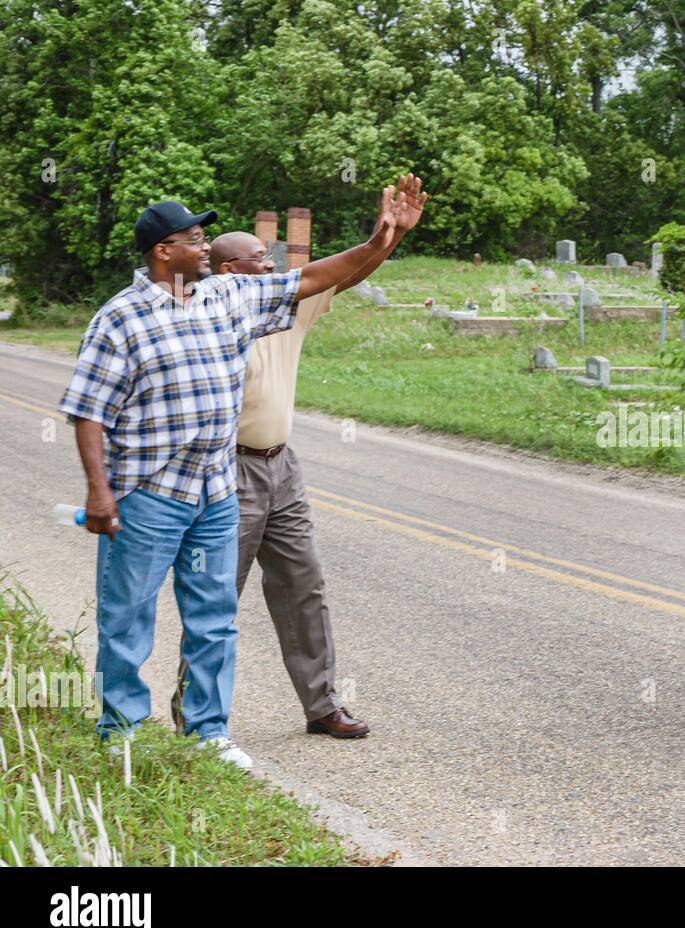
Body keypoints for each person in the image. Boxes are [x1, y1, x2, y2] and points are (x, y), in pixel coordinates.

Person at [60, 179, 417, 768]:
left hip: (216, 492)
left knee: (214, 618)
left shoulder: (226, 297)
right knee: (127, 616)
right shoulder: (119, 319)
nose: (203, 247)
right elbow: (88, 411)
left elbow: (314, 277)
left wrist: (384, 236)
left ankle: (207, 732)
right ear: (161, 252)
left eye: (205, 238)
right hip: (148, 494)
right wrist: (100, 494)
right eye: (193, 239)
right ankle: (119, 729)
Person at [166, 176, 427, 740]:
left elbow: (346, 273)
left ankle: (322, 705)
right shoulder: (207, 315)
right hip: (226, 471)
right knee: (216, 597)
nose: (274, 265)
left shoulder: (288, 309)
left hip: (282, 468)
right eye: (262, 259)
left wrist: (390, 236)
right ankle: (195, 719)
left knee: (303, 588)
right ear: (232, 270)